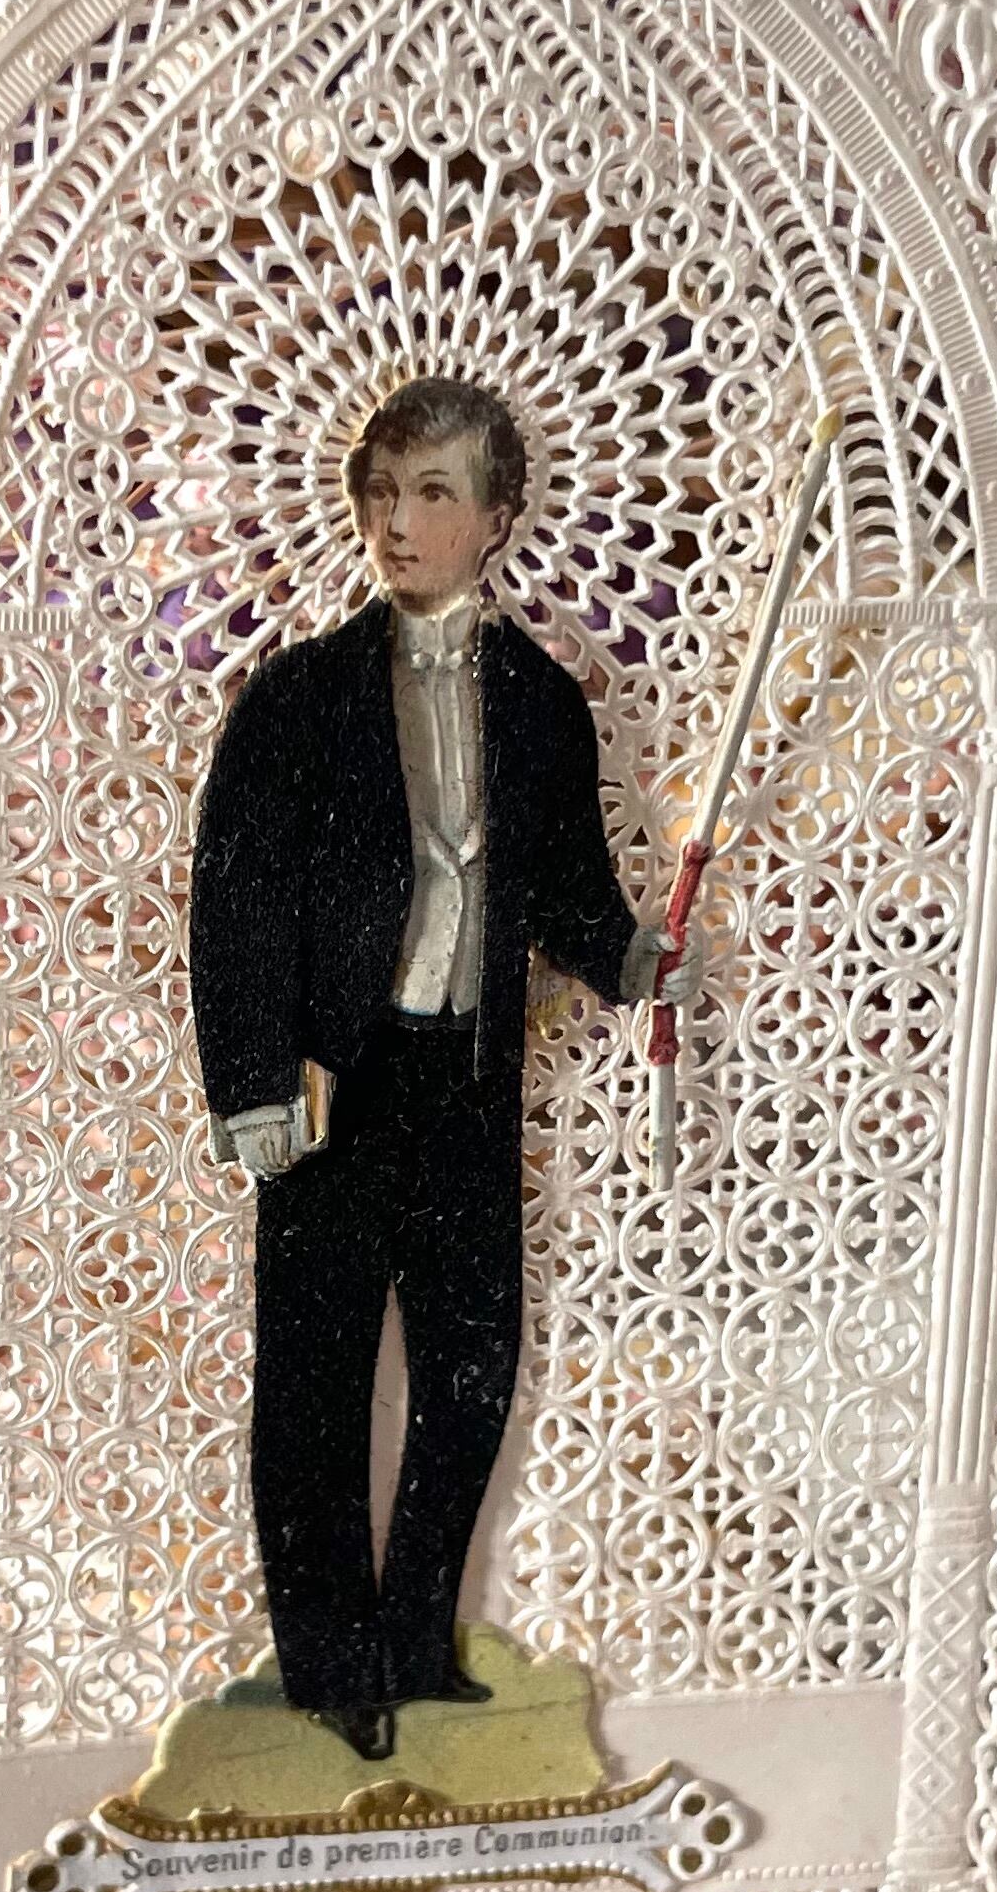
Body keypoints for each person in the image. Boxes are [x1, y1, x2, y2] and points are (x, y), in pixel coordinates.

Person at [188, 378, 676, 1763]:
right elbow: (237, 902)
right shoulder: (297, 699)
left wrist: (633, 958)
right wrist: (253, 1083)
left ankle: (416, 1643)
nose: (396, 521)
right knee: (317, 1384)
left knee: (470, 1372)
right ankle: (328, 1670)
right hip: (334, 1088)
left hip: (466, 1084)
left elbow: (568, 890)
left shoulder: (541, 704)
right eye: (381, 492)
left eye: (433, 494)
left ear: (498, 519)